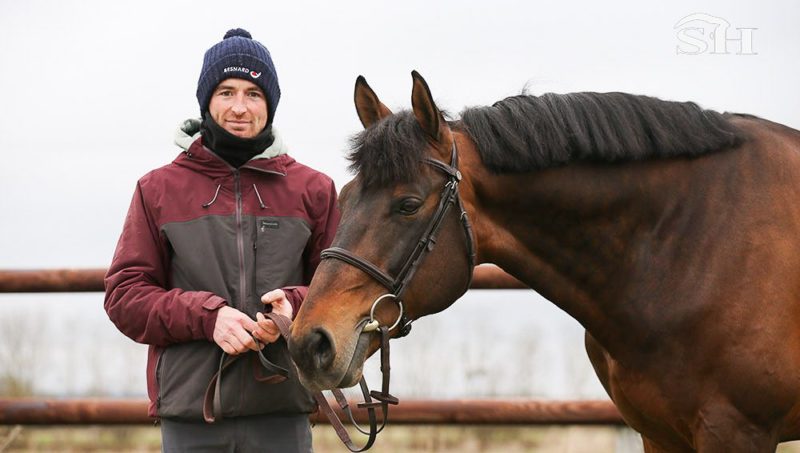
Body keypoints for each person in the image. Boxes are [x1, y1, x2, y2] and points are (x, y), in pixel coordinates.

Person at [104, 28, 339, 452]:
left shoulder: (314, 190)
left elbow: (338, 291)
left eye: (253, 93)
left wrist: (293, 306)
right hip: (192, 412)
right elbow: (125, 296)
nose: (239, 107)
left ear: (270, 103)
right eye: (226, 92)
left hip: (282, 408)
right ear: (206, 101)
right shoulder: (157, 189)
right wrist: (207, 317)